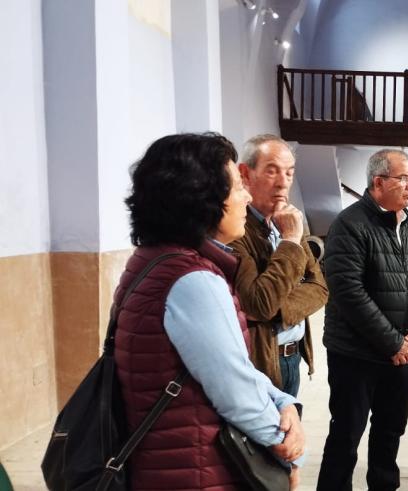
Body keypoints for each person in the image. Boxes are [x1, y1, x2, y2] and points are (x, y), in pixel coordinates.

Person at [116, 133, 305, 490]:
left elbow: (232, 367)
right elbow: (236, 393)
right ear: (202, 199)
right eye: (236, 188)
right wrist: (288, 453)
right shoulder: (194, 281)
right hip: (194, 470)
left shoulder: (153, 259)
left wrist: (283, 401)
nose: (246, 196)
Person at [317, 149, 408, 491]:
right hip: (355, 355)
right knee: (346, 437)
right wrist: (393, 342)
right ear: (378, 182)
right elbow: (349, 293)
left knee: (389, 434)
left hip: (400, 356)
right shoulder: (350, 225)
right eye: (403, 179)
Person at [230, 134, 328, 397]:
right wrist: (291, 241)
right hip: (260, 360)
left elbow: (319, 287)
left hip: (293, 355)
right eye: (272, 171)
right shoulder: (236, 230)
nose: (283, 183)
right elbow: (258, 303)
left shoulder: (287, 219)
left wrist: (276, 307)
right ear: (245, 174)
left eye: (289, 172)